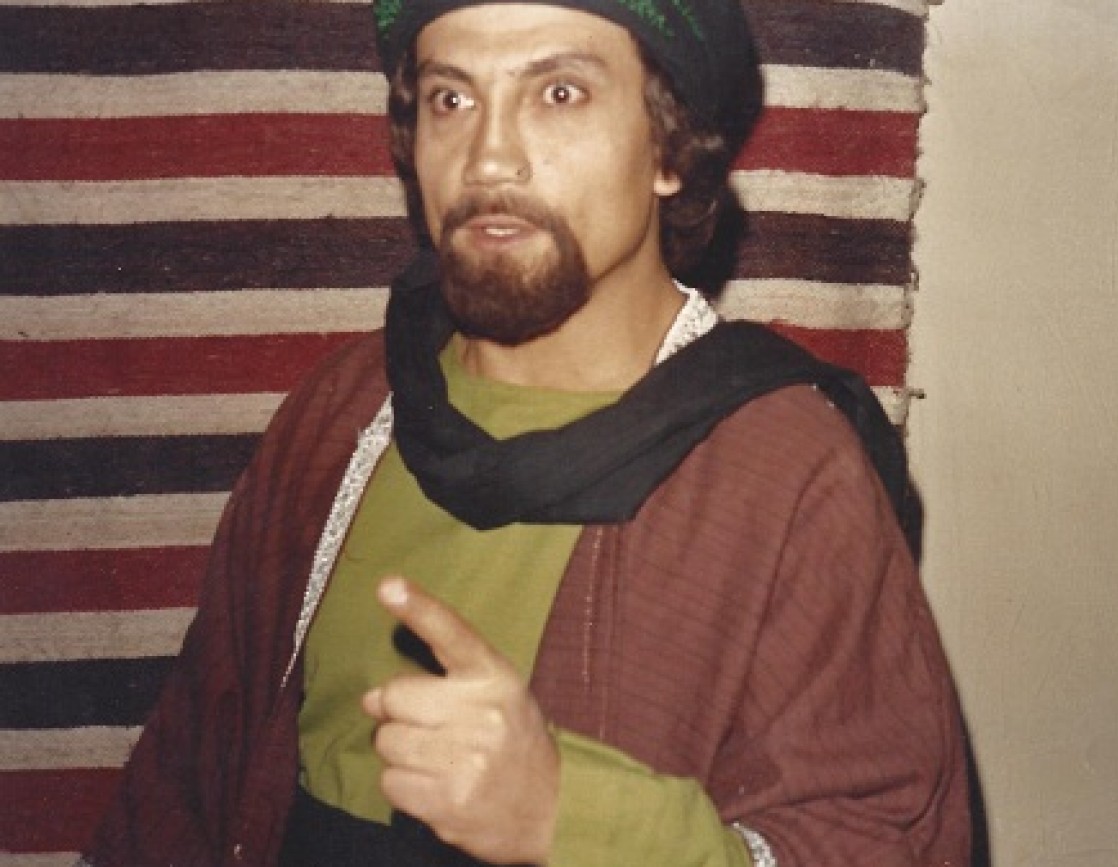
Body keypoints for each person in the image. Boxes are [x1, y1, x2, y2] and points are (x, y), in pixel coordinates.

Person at [86, 0, 971, 864]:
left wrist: (570, 819)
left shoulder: (789, 470)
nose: (489, 158)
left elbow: (886, 839)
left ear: (670, 150)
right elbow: (184, 787)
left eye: (558, 93)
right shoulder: (342, 413)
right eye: (452, 98)